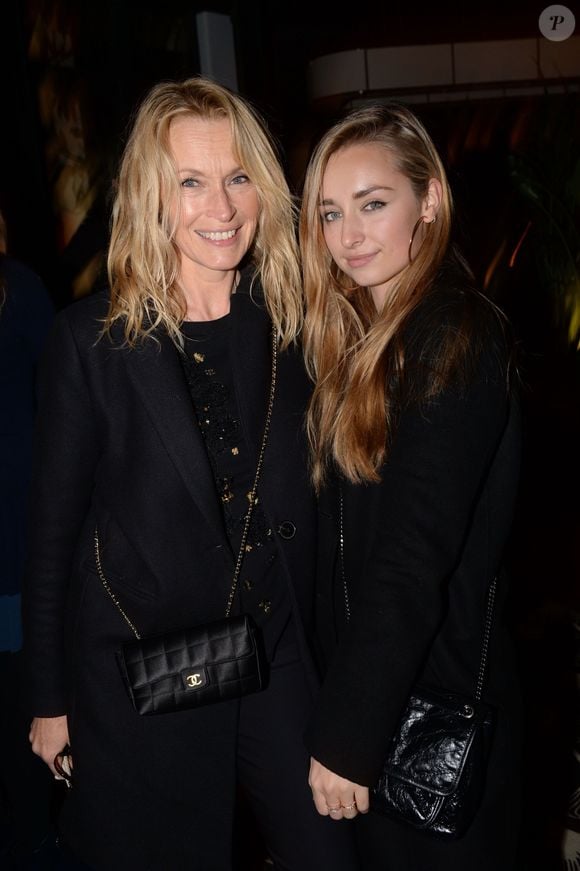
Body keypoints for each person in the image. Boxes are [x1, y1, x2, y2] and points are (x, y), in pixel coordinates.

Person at [23, 76, 359, 871]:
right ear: (152, 196)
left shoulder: (295, 326)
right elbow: (52, 538)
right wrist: (47, 699)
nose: (222, 206)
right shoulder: (91, 343)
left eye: (239, 177)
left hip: (276, 657)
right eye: (192, 182)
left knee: (328, 854)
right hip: (148, 671)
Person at [298, 103, 523, 869]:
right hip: (390, 691)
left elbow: (411, 555)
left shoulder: (452, 333)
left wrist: (348, 734)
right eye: (330, 212)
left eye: (373, 203)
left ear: (428, 201)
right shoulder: (367, 335)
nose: (348, 234)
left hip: (432, 710)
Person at [0, 210, 57, 866]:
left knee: (27, 712)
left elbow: (62, 410)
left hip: (22, 550)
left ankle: (38, 832)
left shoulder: (23, 294)